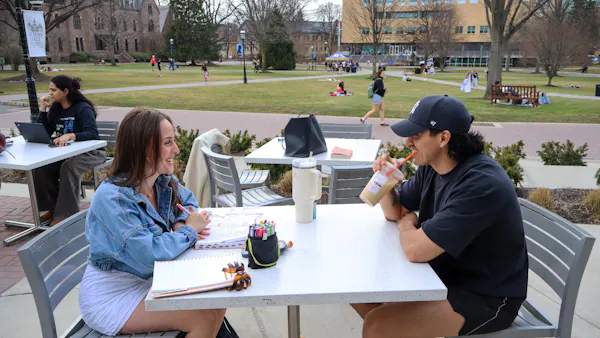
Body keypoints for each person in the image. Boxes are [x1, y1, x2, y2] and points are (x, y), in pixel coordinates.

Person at [352, 95, 528, 337]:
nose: (408, 142)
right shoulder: (432, 167)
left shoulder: (481, 184)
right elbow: (394, 212)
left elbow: (416, 250)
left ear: (443, 138)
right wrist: (386, 179)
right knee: (361, 294)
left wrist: (408, 223)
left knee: (378, 325)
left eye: (416, 135)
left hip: (486, 296)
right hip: (443, 276)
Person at [79, 107, 225, 337]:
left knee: (219, 297)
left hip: (153, 279)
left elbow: (188, 202)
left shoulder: (161, 180)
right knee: (203, 317)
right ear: (144, 148)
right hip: (113, 295)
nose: (176, 150)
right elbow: (149, 255)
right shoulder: (112, 198)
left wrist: (179, 222)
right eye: (168, 143)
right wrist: (187, 231)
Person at [35, 75, 107, 226]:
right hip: (66, 153)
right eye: (50, 90)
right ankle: (54, 209)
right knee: (43, 167)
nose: (50, 93)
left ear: (65, 91)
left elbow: (93, 134)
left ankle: (67, 214)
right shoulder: (56, 110)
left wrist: (71, 135)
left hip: (93, 152)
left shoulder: (83, 108)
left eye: (53, 90)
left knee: (68, 167)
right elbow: (44, 132)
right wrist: (42, 109)